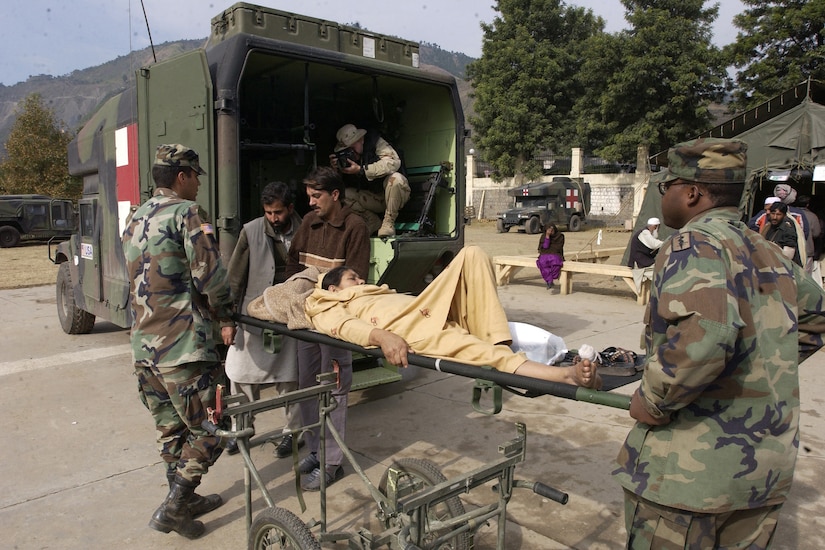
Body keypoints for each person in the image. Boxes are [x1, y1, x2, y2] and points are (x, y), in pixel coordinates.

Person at [614, 137, 825, 549]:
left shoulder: (692, 243)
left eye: (666, 186)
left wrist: (653, 400)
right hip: (759, 473)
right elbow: (816, 318)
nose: (664, 197)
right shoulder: (765, 248)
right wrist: (761, 363)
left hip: (689, 478)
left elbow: (705, 334)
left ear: (691, 192)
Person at [122, 144, 236, 539]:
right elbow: (210, 276)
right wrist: (226, 315)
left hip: (144, 350)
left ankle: (184, 505)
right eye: (196, 175)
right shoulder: (187, 213)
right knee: (215, 428)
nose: (199, 182)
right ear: (182, 176)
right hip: (182, 347)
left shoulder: (136, 216)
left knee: (172, 432)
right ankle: (172, 507)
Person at [304, 245, 600, 387]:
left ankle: (496, 340)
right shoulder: (327, 302)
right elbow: (342, 326)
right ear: (333, 288)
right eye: (352, 279)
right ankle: (566, 375)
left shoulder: (375, 291)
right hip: (414, 330)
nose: (360, 281)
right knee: (489, 355)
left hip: (426, 307)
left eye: (358, 277)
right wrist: (383, 337)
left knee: (471, 253)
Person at [284, 166, 371, 491]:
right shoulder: (309, 223)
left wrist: (322, 297)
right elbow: (293, 264)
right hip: (306, 321)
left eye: (316, 196)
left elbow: (356, 284)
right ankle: (316, 451)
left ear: (335, 195)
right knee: (307, 387)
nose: (311, 203)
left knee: (334, 391)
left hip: (335, 327)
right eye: (309, 196)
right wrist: (295, 295)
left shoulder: (355, 227)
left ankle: (332, 463)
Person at [222, 181, 304, 459]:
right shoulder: (251, 231)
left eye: (278, 212)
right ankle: (241, 428)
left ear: (290, 209)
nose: (273, 218)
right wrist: (227, 320)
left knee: (290, 379)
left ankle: (293, 433)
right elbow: (234, 278)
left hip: (289, 317)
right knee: (241, 376)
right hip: (252, 318)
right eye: (268, 212)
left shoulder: (305, 229)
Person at [330, 123, 411, 237]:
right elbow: (337, 187)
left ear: (361, 139)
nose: (352, 152)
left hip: (395, 195)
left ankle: (388, 222)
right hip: (373, 198)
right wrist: (336, 170)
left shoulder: (376, 142)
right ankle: (372, 221)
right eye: (348, 150)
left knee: (395, 179)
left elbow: (393, 163)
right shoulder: (351, 160)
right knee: (343, 194)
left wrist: (361, 170)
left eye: (353, 148)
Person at [761, 201, 802, 266]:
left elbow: (787, 256)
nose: (774, 217)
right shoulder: (769, 227)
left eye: (778, 214)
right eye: (773, 213)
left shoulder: (788, 230)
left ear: (784, 215)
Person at [536, 223, 564, 289]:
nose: (551, 232)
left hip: (555, 254)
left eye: (552, 230)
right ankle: (549, 281)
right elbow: (545, 247)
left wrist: (552, 251)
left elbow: (558, 247)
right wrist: (547, 237)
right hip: (545, 253)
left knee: (555, 262)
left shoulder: (560, 236)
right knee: (542, 262)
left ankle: (551, 278)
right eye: (549, 230)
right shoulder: (544, 236)